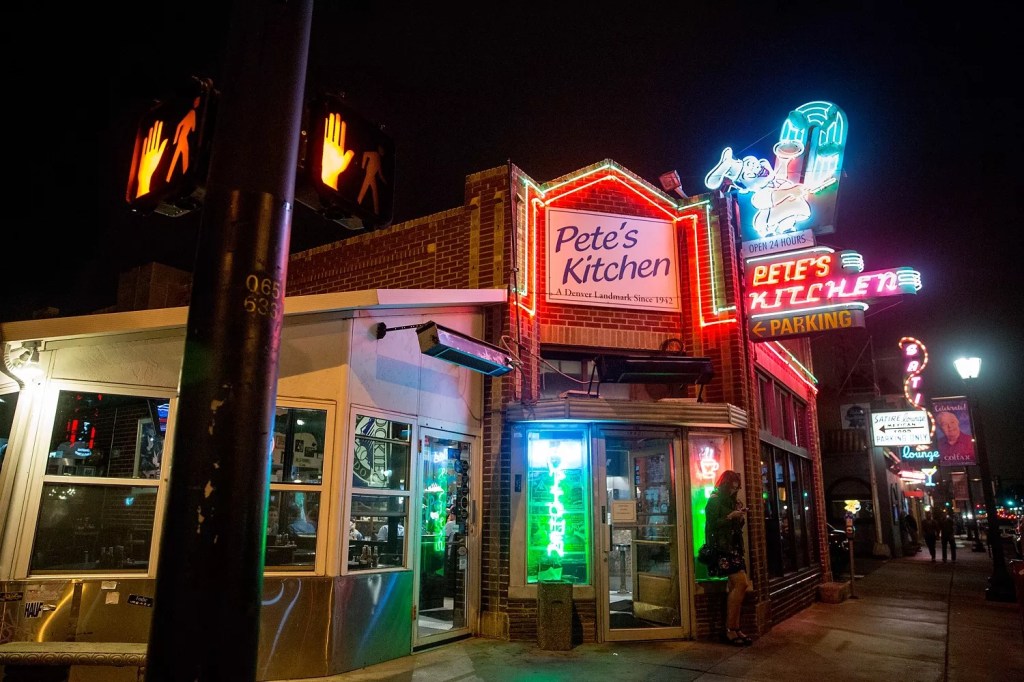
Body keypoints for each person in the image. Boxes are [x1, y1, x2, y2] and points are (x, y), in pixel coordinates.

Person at [704, 470, 752, 646]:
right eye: (731, 488)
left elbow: (737, 526)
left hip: (733, 548)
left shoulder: (732, 501)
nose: (734, 491)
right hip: (722, 549)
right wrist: (730, 517)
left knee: (736, 585)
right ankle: (730, 628)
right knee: (741, 583)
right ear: (725, 485)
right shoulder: (715, 500)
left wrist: (739, 516)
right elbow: (711, 525)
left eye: (736, 488)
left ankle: (734, 628)